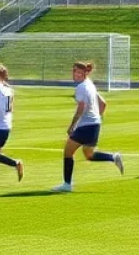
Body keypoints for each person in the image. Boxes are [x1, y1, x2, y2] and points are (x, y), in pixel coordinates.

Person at [51, 61, 124, 193]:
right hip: (95, 125)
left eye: (78, 72)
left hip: (86, 126)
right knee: (89, 154)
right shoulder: (90, 84)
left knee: (68, 152)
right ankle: (113, 157)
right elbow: (103, 104)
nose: (75, 74)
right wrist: (98, 117)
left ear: (84, 73)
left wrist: (72, 125)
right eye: (74, 71)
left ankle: (67, 184)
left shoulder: (81, 88)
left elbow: (81, 108)